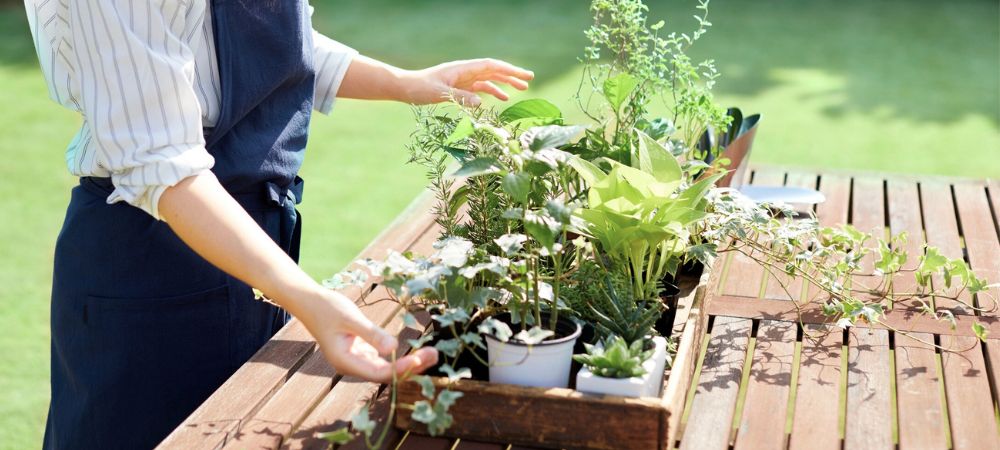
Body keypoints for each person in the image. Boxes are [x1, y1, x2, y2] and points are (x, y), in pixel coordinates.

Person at [24, 0, 533, 448]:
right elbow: (162, 163)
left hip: (251, 240)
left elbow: (265, 38)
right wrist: (309, 299)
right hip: (149, 260)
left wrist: (407, 84)